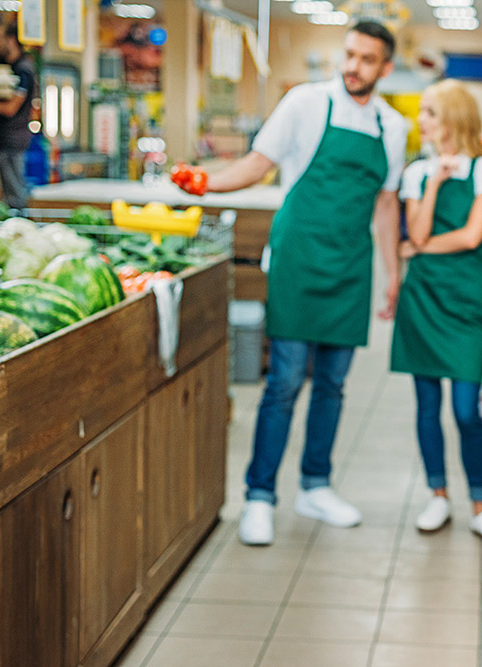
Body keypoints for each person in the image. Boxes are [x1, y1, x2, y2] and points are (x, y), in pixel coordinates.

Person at [177, 22, 408, 545]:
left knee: (332, 385)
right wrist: (206, 182)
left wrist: (392, 276)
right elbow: (258, 165)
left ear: (385, 69)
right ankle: (260, 494)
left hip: (350, 269)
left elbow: (387, 204)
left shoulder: (391, 129)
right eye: (349, 55)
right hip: (299, 262)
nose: (353, 66)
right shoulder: (305, 103)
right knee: (282, 384)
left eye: (367, 59)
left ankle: (315, 484)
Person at [390, 80, 482, 540]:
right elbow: (414, 233)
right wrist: (434, 181)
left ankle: (480, 501)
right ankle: (438, 495)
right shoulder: (417, 173)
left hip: (464, 301)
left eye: (431, 112)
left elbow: (471, 236)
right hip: (423, 300)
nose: (423, 120)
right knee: (426, 405)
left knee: (464, 409)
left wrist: (417, 250)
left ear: (454, 118)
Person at [0, 21, 36, 211]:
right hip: (2, 139)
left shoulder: (23, 70)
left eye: (0, 37)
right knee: (8, 190)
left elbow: (10, 108)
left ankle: (19, 227)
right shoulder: (10, 65)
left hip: (11, 140)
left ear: (11, 40)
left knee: (14, 192)